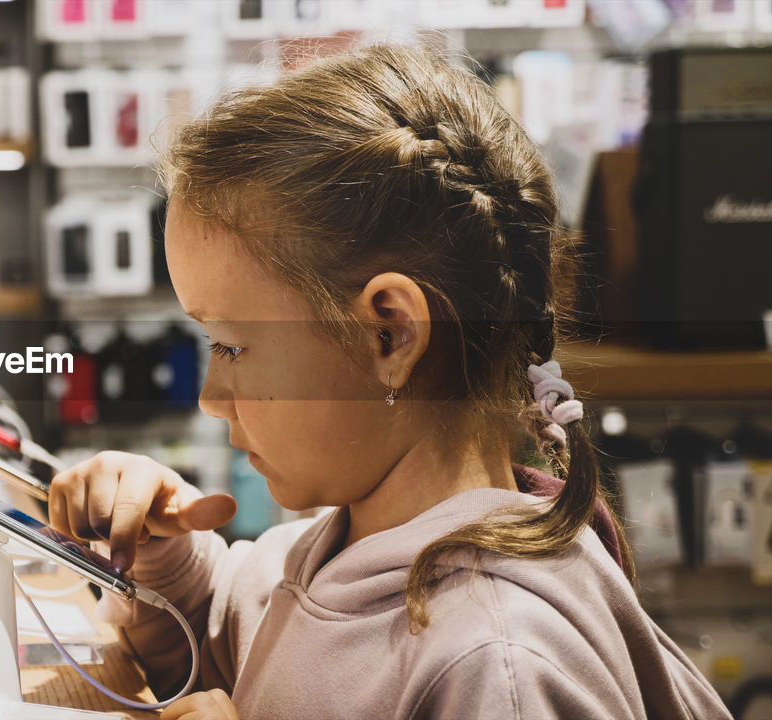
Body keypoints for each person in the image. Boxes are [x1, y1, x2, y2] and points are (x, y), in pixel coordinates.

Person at [47, 44, 732, 720]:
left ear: (391, 334)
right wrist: (168, 564)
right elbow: (243, 642)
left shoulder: (497, 665)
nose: (210, 396)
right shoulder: (342, 546)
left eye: (231, 344)